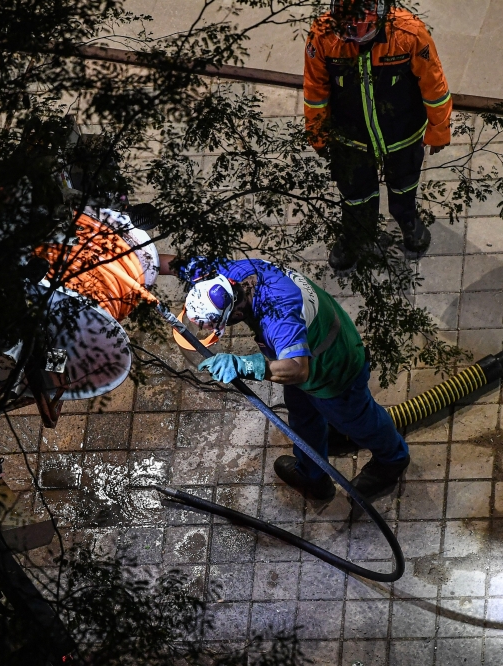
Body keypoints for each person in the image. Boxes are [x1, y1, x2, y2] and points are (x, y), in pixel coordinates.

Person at [181, 257, 410, 502]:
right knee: (302, 415)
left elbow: (298, 370)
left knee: (359, 420)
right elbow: (173, 263)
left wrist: (244, 364)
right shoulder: (231, 274)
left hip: (332, 369)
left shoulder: (278, 319)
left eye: (215, 324)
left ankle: (392, 460)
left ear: (236, 312)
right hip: (306, 355)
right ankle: (313, 476)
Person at [304, 0, 452, 271]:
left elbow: (434, 84)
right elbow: (316, 88)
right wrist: (317, 133)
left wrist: (439, 130)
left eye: (364, 30)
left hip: (403, 133)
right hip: (350, 137)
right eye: (349, 31)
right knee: (354, 193)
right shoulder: (323, 35)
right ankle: (356, 234)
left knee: (404, 183)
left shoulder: (410, 33)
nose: (357, 39)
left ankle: (407, 220)